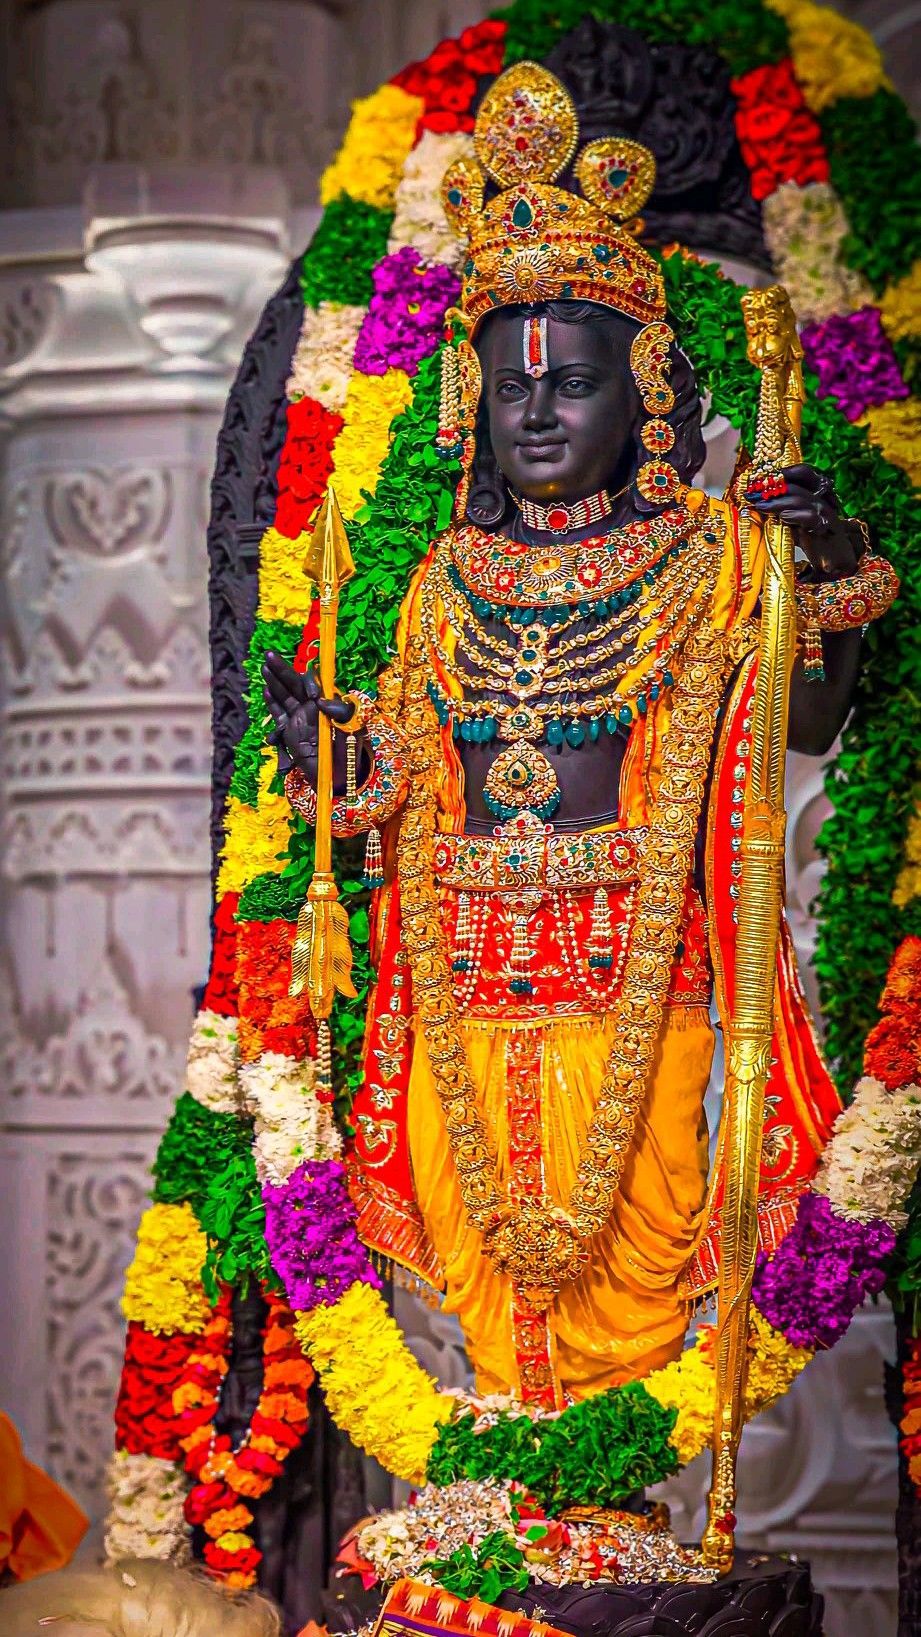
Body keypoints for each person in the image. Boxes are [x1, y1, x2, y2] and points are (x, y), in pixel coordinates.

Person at [262, 63, 896, 1409]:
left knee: (642, 1260)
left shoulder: (714, 556)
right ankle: (529, 1486)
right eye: (509, 389)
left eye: (573, 385)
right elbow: (405, 788)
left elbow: (811, 717)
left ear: (645, 396)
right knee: (490, 1274)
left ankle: (611, 1505)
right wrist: (328, 760)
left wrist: (817, 571)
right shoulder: (442, 582)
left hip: (642, 987)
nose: (537, 413)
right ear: (471, 406)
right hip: (464, 989)